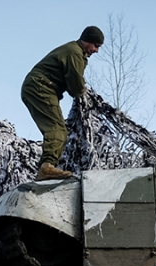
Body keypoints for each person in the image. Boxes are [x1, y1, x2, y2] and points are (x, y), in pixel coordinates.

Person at [22, 26, 103, 181]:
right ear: (86, 41)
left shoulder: (74, 50)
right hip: (41, 86)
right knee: (57, 129)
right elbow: (75, 85)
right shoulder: (75, 53)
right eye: (96, 46)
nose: (96, 50)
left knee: (57, 128)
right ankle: (47, 167)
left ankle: (46, 167)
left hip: (37, 86)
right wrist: (82, 91)